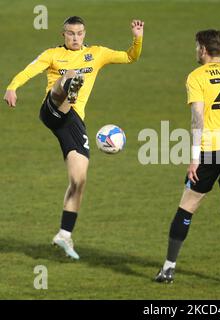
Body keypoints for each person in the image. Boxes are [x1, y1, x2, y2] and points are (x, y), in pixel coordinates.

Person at [3, 16, 144, 260]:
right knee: (68, 76)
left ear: (84, 34)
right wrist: (12, 87)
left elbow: (130, 56)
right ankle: (70, 85)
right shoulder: (52, 55)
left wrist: (137, 39)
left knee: (79, 180)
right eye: (70, 33)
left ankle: (64, 234)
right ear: (63, 35)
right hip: (52, 109)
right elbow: (29, 70)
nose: (75, 38)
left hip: (73, 123)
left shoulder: (97, 53)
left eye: (79, 33)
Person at [155, 29, 220, 284]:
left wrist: (194, 157)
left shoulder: (196, 77)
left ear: (203, 48)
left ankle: (168, 268)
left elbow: (198, 118)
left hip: (210, 149)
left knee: (188, 205)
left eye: (196, 47)